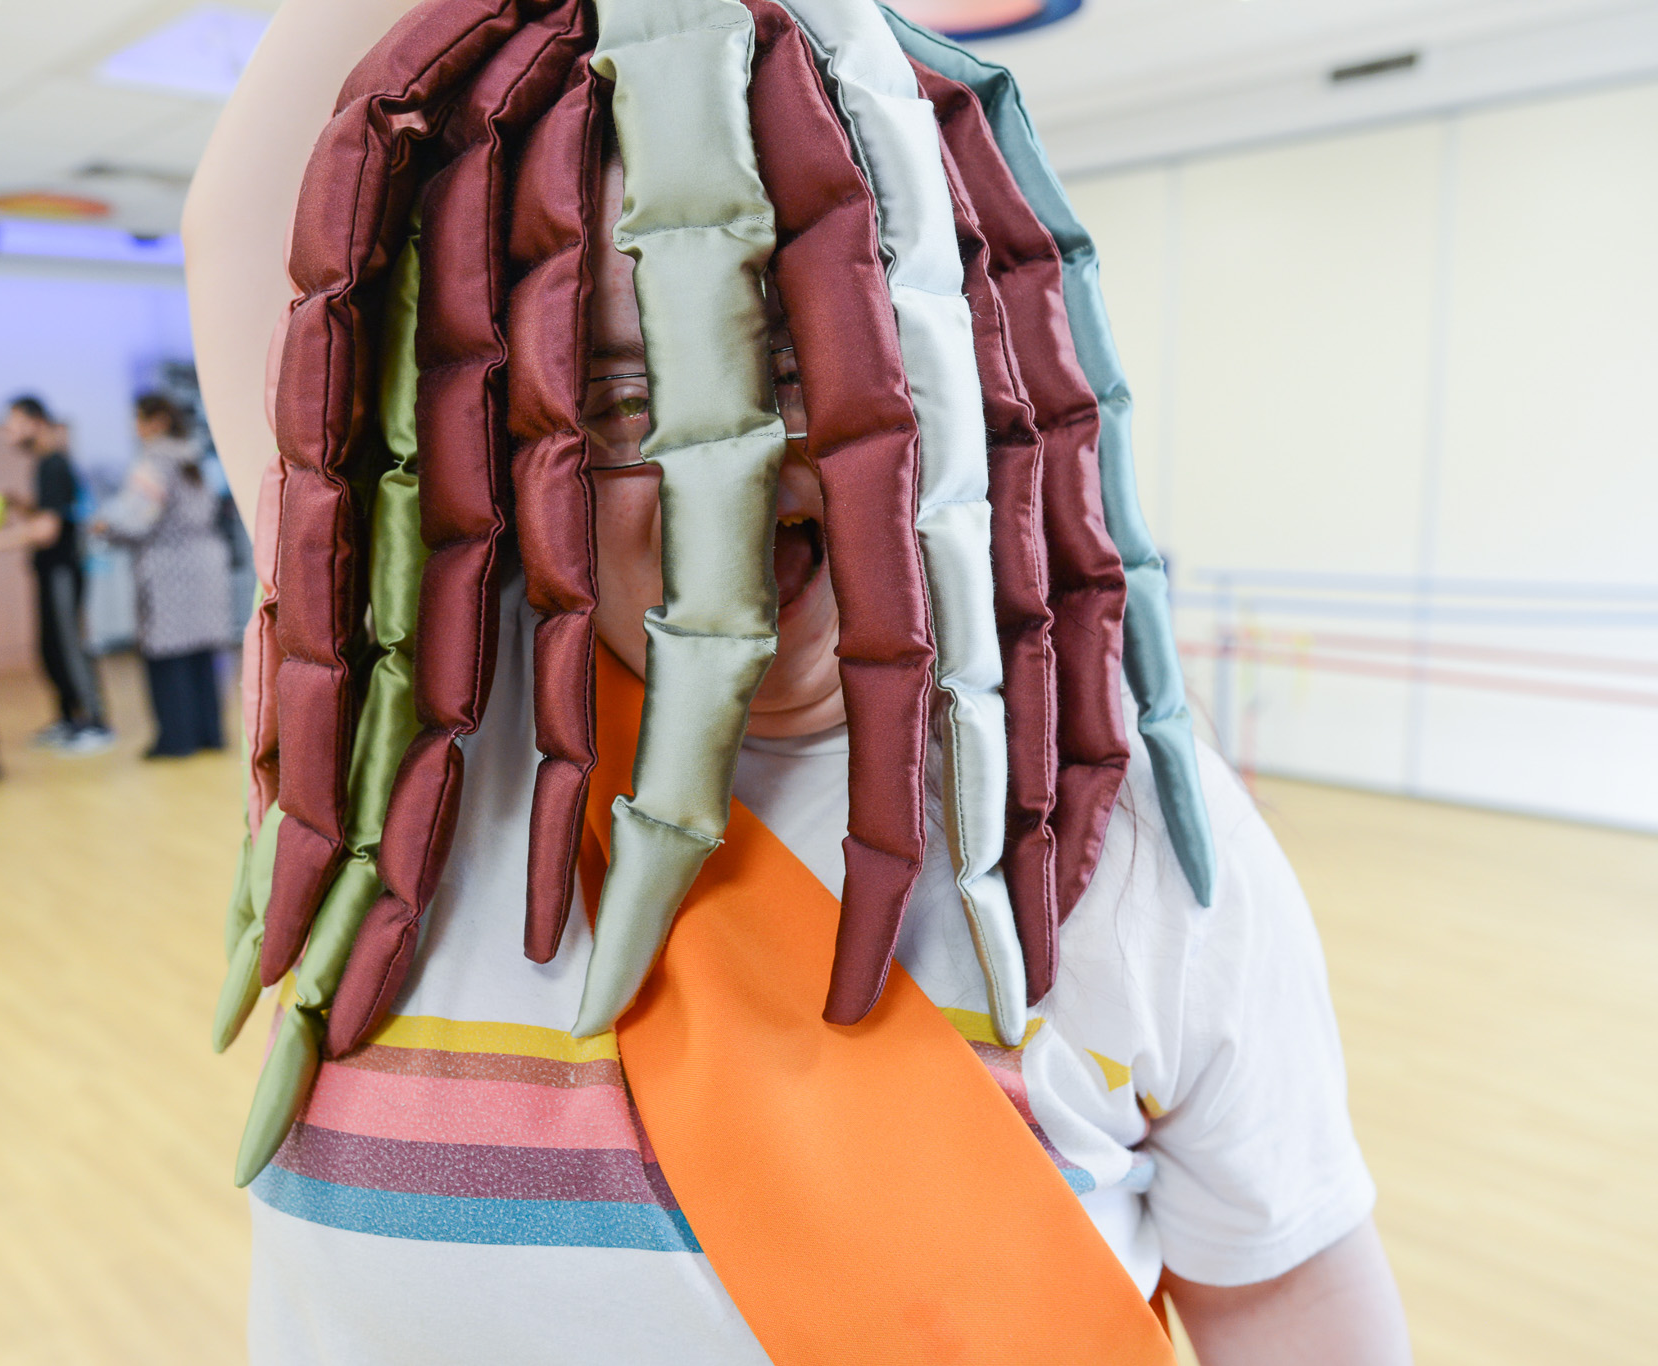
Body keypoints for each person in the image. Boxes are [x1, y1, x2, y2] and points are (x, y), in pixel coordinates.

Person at [184, 1, 1415, 1362]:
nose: (744, 455)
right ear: (498, 433)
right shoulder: (388, 715)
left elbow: (1292, 1299)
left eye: (817, 350)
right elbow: (253, 232)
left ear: (954, 370)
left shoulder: (1116, 833)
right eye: (619, 387)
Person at [93, 393, 231, 759]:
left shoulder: (153, 461)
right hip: (206, 562)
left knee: (168, 658)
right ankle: (210, 735)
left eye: (138, 419)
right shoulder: (195, 457)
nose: (134, 428)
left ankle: (176, 740)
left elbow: (139, 519)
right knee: (202, 657)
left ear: (156, 422)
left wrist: (104, 525)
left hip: (169, 567)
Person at [0, 395, 113, 755]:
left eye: (12, 423)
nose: (7, 433)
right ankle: (68, 719)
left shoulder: (53, 464)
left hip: (63, 570)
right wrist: (21, 505)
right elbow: (52, 513)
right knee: (51, 648)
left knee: (68, 646)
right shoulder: (46, 464)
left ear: (35, 422)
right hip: (50, 571)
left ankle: (95, 723)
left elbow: (48, 530)